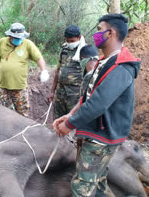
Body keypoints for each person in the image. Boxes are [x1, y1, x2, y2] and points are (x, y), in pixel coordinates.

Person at [53, 14, 141, 197]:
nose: (96, 34)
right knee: (98, 180)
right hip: (98, 133)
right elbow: (89, 95)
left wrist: (69, 125)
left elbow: (98, 103)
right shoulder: (105, 62)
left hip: (102, 137)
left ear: (111, 33)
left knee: (81, 187)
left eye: (100, 29)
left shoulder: (121, 68)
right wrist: (71, 114)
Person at [0, 23, 49, 117]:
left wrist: (43, 70)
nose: (19, 40)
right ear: (10, 36)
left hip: (19, 88)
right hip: (3, 86)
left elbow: (38, 58)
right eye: (16, 38)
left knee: (22, 115)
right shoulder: (2, 42)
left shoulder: (27, 44)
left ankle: (22, 132)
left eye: (20, 38)